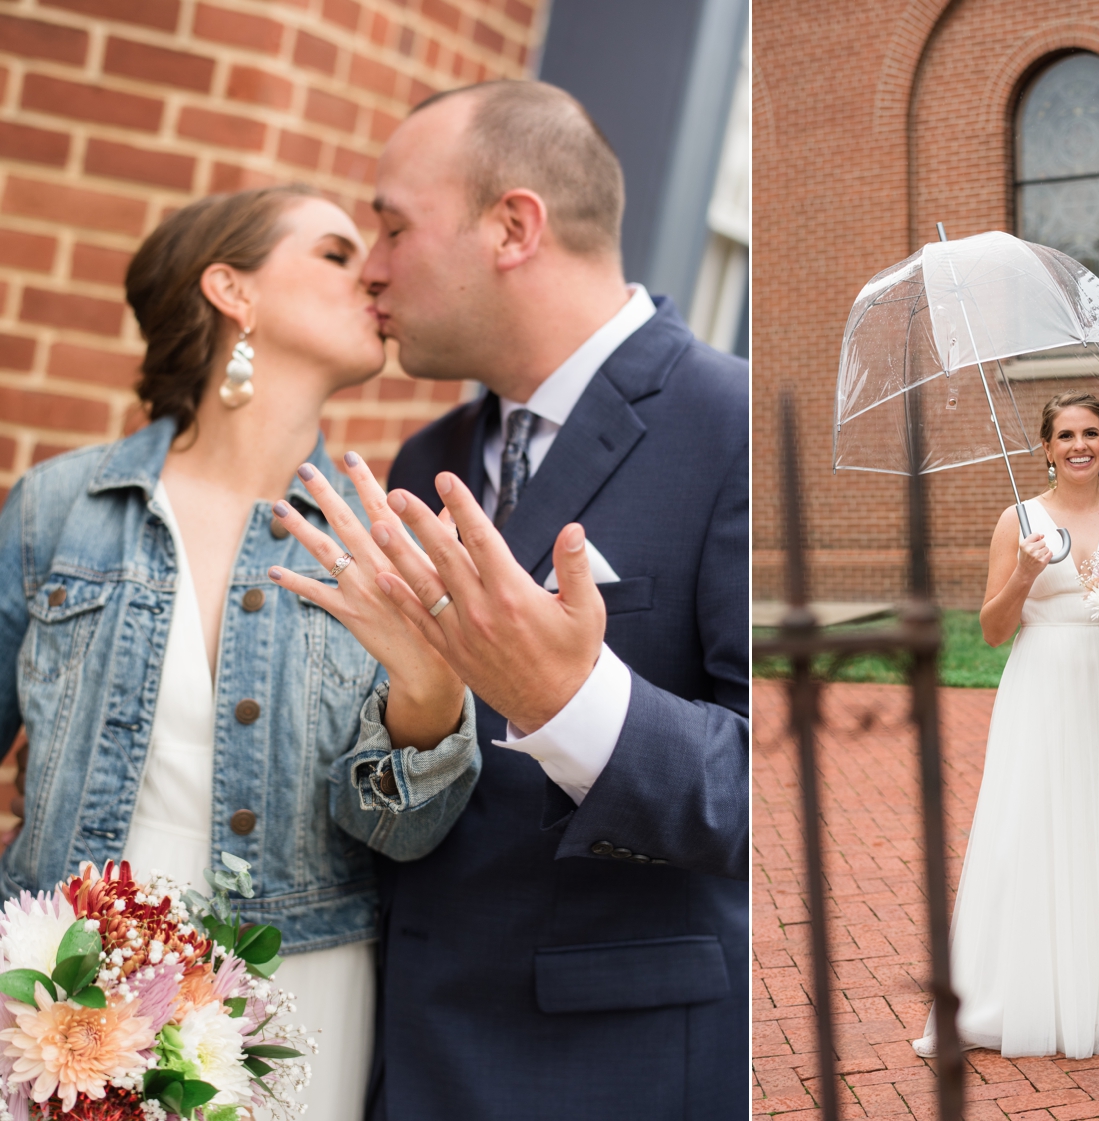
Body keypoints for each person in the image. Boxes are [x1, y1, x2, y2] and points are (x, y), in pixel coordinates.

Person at [0, 186, 478, 1119]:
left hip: (297, 994)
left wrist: (433, 696)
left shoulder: (378, 549)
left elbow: (404, 833)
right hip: (62, 982)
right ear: (233, 290)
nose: (374, 272)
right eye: (337, 254)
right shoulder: (59, 509)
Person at [320, 80, 748, 1119]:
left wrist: (576, 701)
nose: (369, 267)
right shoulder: (428, 456)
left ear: (513, 225)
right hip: (399, 1054)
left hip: (609, 1069)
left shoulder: (729, 423)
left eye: (391, 225)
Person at [913, 391, 1099, 1060]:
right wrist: (1026, 573)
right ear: (1046, 446)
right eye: (1065, 434)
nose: (1078, 444)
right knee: (1031, 829)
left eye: (1091, 432)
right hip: (1041, 689)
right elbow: (992, 629)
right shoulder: (1019, 519)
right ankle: (1027, 993)